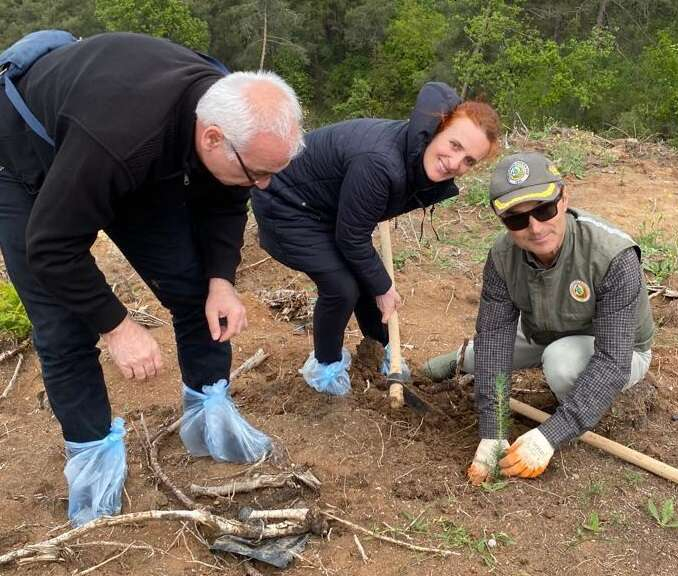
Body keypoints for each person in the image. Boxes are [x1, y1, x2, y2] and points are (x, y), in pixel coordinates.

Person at [0, 32, 304, 524]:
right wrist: (118, 326)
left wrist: (221, 280)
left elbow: (226, 198)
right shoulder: (122, 139)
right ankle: (94, 464)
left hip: (125, 144)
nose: (264, 185)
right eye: (258, 173)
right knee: (64, 326)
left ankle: (209, 417)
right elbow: (53, 248)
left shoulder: (221, 111)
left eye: (274, 173)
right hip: (24, 154)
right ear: (211, 138)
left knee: (192, 284)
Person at [251, 82, 501, 395]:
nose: (455, 162)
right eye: (454, 145)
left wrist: (377, 283)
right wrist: (382, 287)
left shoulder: (416, 159)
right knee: (342, 287)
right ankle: (326, 369)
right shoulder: (381, 163)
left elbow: (355, 230)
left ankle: (383, 352)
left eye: (469, 161)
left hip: (327, 209)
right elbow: (352, 237)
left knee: (368, 279)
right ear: (437, 128)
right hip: (285, 204)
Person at [424, 152, 654, 484]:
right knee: (484, 354)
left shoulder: (612, 255)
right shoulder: (503, 258)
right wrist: (494, 430)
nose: (534, 228)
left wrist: (550, 434)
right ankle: (461, 358)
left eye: (543, 210)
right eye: (517, 220)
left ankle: (592, 409)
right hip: (544, 327)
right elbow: (495, 339)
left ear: (564, 199)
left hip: (617, 348)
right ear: (502, 222)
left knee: (560, 364)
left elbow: (612, 360)